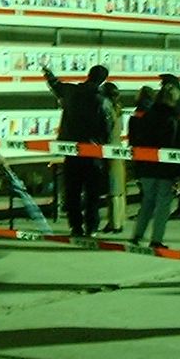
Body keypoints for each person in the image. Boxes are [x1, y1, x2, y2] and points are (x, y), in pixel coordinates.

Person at [44, 63, 111, 237]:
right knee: (92, 193)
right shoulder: (101, 100)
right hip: (92, 152)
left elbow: (55, 85)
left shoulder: (71, 91)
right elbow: (106, 128)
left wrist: (48, 73)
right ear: (103, 80)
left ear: (88, 75)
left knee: (72, 191)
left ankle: (75, 227)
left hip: (71, 150)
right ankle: (91, 227)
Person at [129, 74, 180, 249]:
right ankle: (156, 239)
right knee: (163, 205)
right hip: (164, 170)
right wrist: (179, 173)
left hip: (146, 166)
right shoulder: (172, 120)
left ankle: (137, 235)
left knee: (147, 202)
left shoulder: (147, 116)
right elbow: (174, 147)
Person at [100, 82, 126, 234]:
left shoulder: (106, 107)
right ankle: (119, 220)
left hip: (109, 149)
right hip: (118, 147)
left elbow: (106, 129)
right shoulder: (118, 108)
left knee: (113, 188)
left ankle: (114, 223)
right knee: (119, 188)